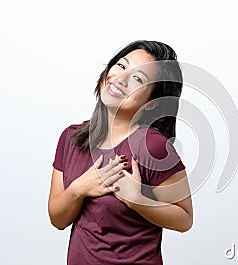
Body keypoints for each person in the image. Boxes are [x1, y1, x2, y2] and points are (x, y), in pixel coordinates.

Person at [48, 40, 193, 265]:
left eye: (138, 79)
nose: (121, 78)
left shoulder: (152, 147)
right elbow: (57, 219)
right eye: (122, 66)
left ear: (152, 103)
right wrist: (79, 188)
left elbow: (184, 220)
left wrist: (137, 200)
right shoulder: (71, 138)